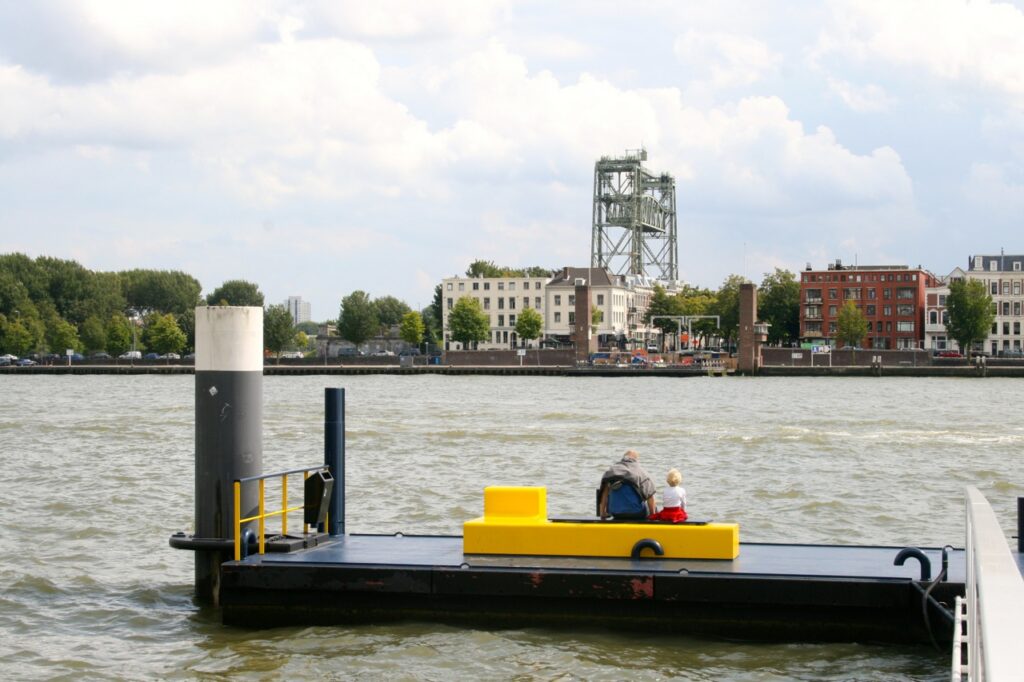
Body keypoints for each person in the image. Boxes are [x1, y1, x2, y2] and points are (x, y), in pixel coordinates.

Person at [598, 450, 656, 520]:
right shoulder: (641, 472)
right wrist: (653, 516)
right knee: (654, 508)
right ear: (636, 460)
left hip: (615, 513)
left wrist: (602, 513)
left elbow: (604, 494)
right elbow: (650, 497)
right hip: (636, 513)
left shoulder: (611, 471)